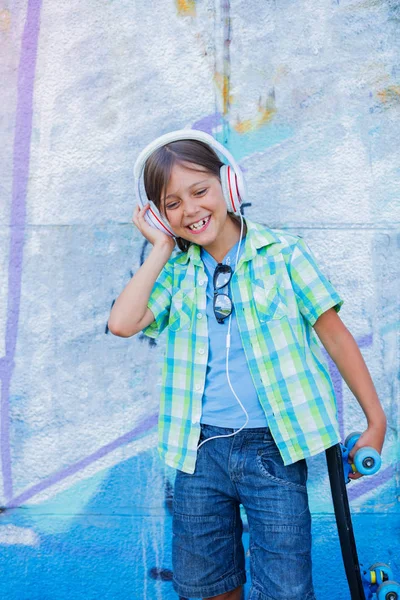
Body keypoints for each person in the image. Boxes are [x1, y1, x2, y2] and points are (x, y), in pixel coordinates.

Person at [108, 130, 387, 600]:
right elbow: (122, 322)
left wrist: (375, 420)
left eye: (200, 191)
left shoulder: (285, 255)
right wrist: (160, 248)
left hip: (273, 450)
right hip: (197, 452)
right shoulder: (176, 274)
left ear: (230, 186)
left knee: (285, 589)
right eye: (172, 204)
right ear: (159, 215)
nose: (191, 210)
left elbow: (337, 340)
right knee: (207, 586)